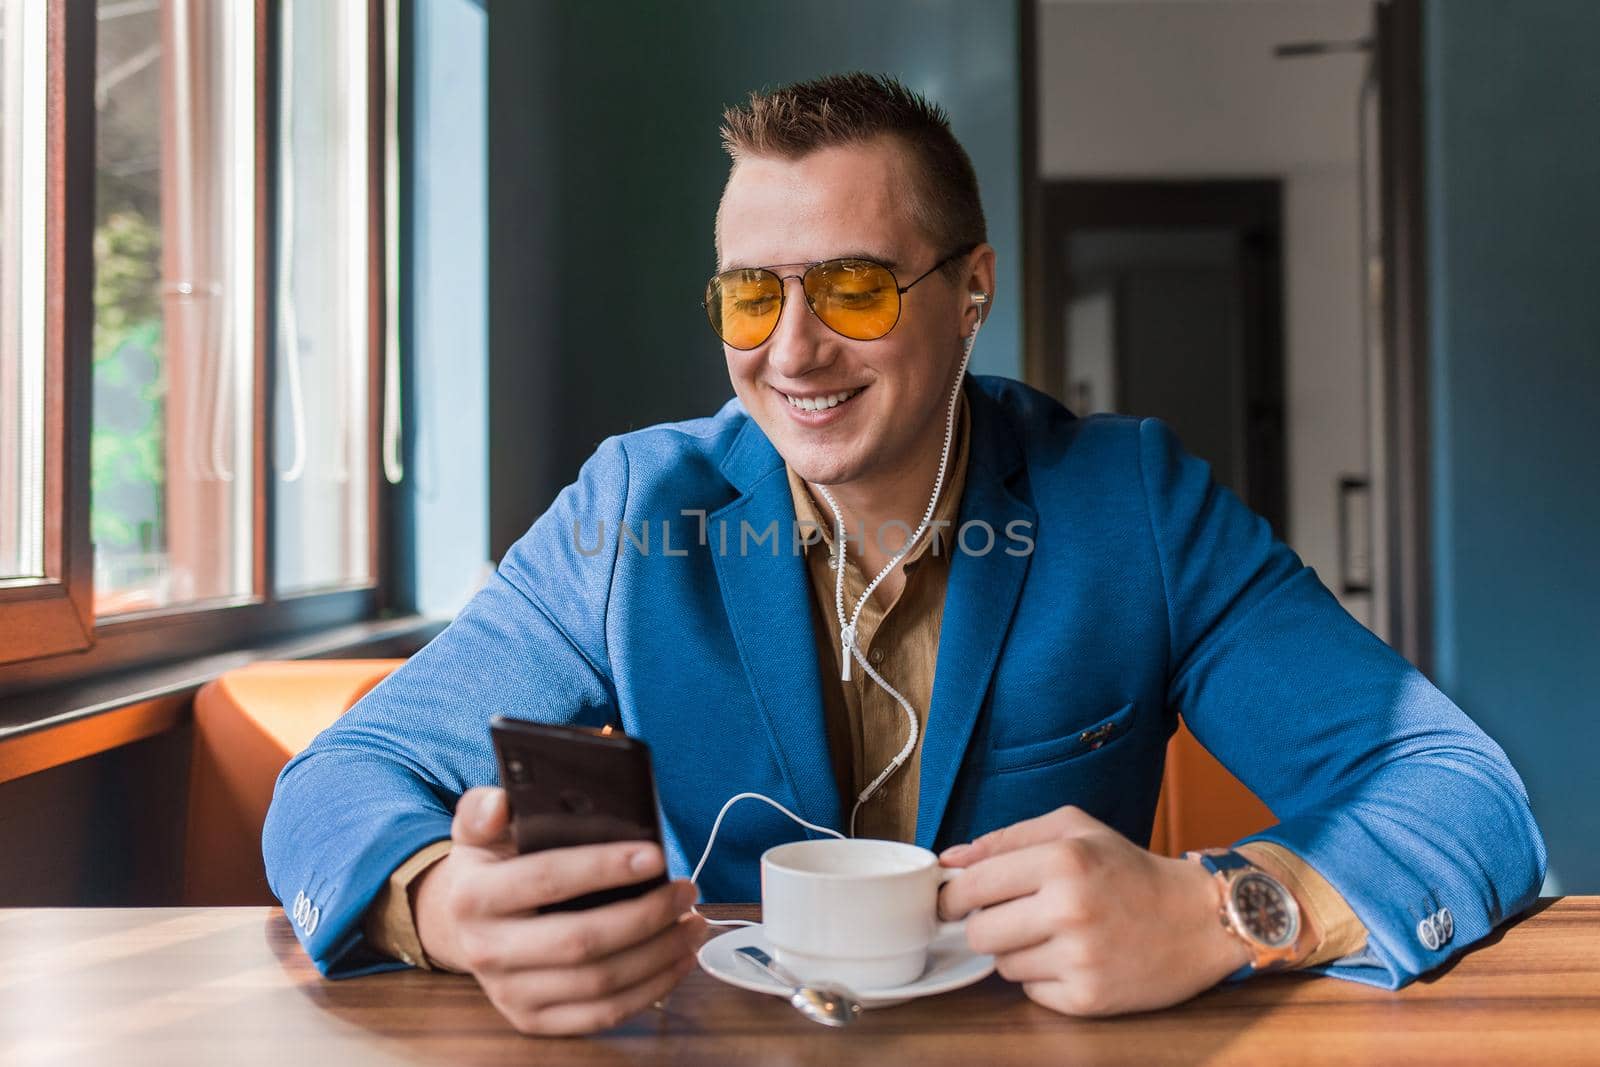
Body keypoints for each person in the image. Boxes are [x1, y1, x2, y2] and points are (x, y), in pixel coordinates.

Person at [263, 72, 1546, 1036]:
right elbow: (347, 774)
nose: (793, 351)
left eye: (857, 288)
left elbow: (1456, 788)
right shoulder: (635, 509)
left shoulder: (1132, 504)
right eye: (752, 295)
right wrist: (437, 906)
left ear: (970, 288)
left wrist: (1220, 911)